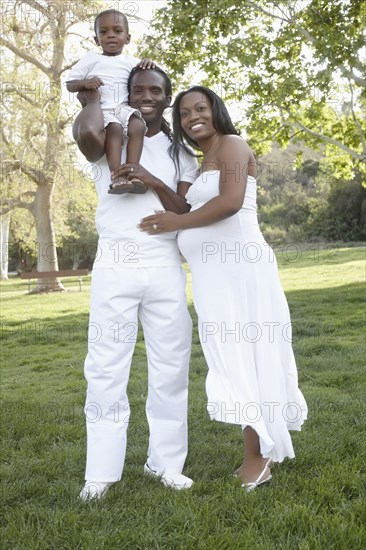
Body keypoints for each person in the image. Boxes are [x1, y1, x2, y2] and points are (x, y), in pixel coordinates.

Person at [139, 86, 308, 491]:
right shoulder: (201, 165)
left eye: (200, 108)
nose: (192, 117)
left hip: (241, 272)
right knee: (231, 358)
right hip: (216, 278)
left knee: (249, 357)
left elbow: (231, 201)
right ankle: (255, 449)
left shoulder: (232, 144)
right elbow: (188, 209)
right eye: (183, 113)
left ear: (216, 111)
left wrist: (174, 225)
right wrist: (153, 182)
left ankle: (259, 457)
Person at [79, 67, 199, 501]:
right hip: (115, 263)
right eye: (138, 90)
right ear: (126, 95)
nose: (146, 96)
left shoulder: (179, 151)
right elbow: (82, 130)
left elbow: (184, 206)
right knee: (106, 368)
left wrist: (151, 179)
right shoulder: (109, 134)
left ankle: (164, 464)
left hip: (164, 265)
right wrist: (91, 92)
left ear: (167, 98)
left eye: (155, 91)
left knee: (171, 367)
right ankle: (101, 473)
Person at [67, 9, 155, 194]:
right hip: (103, 111)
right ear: (96, 39)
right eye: (104, 32)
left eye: (117, 30)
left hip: (123, 109)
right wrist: (85, 83)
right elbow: (70, 84)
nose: (111, 36)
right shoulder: (91, 59)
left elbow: (148, 75)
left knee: (138, 126)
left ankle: (133, 171)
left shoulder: (131, 62)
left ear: (128, 37)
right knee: (114, 131)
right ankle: (117, 177)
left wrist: (148, 63)